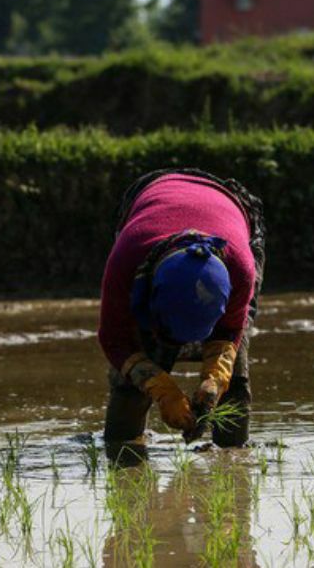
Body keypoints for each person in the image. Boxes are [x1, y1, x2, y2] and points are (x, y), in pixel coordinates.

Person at [99, 169, 265, 460]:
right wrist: (160, 388)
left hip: (232, 213)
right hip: (151, 201)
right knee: (132, 385)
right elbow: (114, 338)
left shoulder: (240, 268)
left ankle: (232, 457)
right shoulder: (127, 258)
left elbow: (230, 329)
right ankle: (123, 453)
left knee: (233, 382)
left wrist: (215, 377)